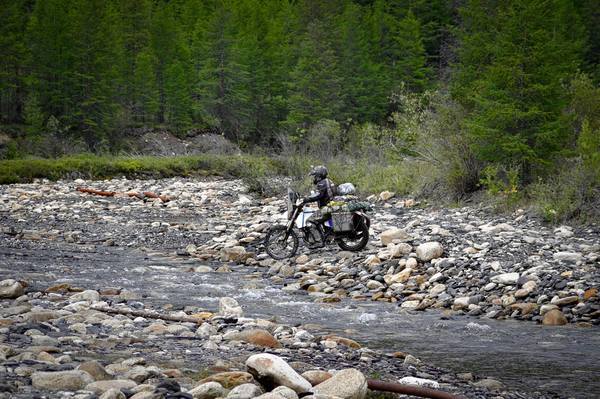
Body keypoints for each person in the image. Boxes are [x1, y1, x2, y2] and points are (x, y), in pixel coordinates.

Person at [301, 165, 336, 247]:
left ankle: (318, 241)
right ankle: (329, 237)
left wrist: (307, 199)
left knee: (310, 221)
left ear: (319, 176)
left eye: (315, 176)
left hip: (327, 208)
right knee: (320, 218)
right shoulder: (328, 181)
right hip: (332, 205)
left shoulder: (322, 183)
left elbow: (318, 195)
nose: (314, 178)